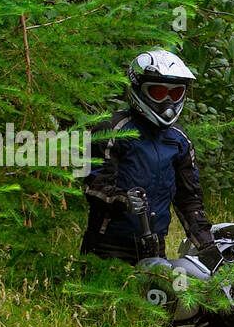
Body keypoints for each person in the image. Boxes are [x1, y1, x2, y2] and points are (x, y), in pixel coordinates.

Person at [80, 49, 221, 269]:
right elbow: (93, 188)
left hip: (155, 246)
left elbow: (189, 199)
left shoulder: (179, 140)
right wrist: (123, 201)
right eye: (158, 92)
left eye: (174, 94)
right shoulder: (112, 130)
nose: (167, 102)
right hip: (107, 246)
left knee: (162, 301)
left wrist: (206, 245)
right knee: (105, 303)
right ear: (139, 89)